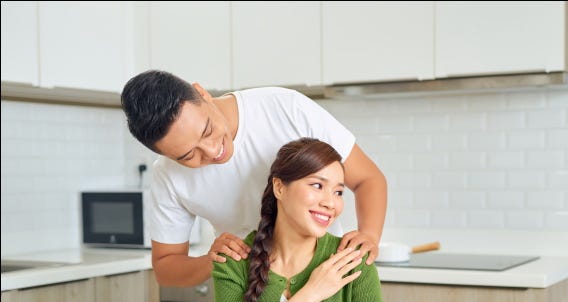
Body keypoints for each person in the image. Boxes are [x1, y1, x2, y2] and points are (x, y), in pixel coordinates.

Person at [121, 70, 387, 287]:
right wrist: (210, 260)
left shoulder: (285, 108)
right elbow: (166, 268)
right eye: (189, 156)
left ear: (202, 94)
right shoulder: (167, 176)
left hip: (327, 282)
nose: (213, 151)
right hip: (250, 299)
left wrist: (370, 236)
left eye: (207, 130)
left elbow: (368, 179)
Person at [212, 138, 397, 302]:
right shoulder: (235, 260)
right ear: (279, 187)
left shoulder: (352, 258)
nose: (331, 203)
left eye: (338, 192)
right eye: (317, 185)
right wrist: (311, 293)